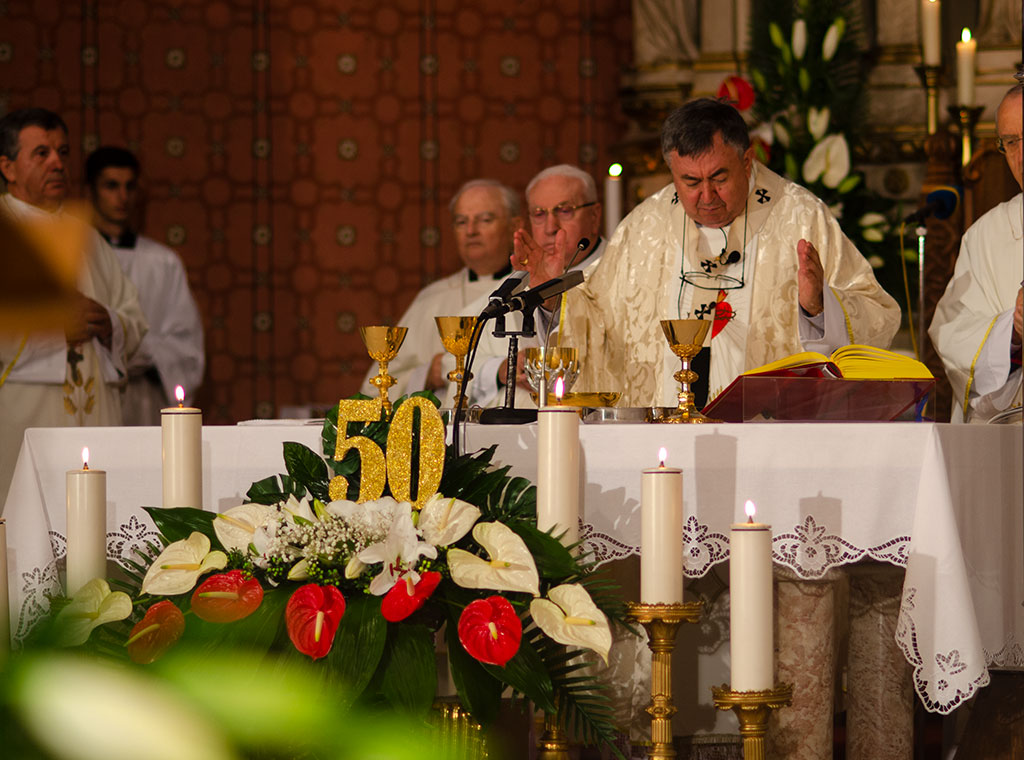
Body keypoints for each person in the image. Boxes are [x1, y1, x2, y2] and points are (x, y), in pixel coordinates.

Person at [515, 98, 900, 407]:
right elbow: (598, 321)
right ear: (672, 173)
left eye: (719, 177)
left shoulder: (799, 216)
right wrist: (553, 300)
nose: (707, 196)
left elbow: (876, 311)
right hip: (662, 439)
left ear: (747, 161)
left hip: (767, 432)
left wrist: (818, 306)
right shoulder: (646, 226)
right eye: (690, 181)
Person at [0, 108, 146, 498]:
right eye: (42, 153)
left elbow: (133, 317)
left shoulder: (88, 237)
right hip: (24, 423)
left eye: (63, 153)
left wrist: (110, 323)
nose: (58, 164)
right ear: (8, 167)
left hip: (96, 423)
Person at [360, 179, 522, 398]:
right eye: (461, 222)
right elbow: (374, 389)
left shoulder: (536, 292)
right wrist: (428, 375)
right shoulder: (432, 299)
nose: (471, 231)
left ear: (515, 226)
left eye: (485, 220)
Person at [466, 164, 605, 408]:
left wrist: (551, 301)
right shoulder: (511, 287)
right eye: (539, 214)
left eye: (564, 210)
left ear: (594, 216)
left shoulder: (624, 276)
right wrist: (502, 369)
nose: (550, 227)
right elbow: (459, 362)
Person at [85, 146, 205, 425]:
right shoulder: (79, 258)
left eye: (130, 186)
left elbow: (186, 345)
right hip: (93, 396)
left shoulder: (162, 261)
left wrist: (136, 350)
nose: (122, 197)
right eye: (111, 186)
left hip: (145, 403)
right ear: (90, 191)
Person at [930, 83, 1024, 422]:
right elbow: (952, 333)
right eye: (1011, 142)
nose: (1021, 156)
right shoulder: (986, 236)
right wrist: (1011, 334)